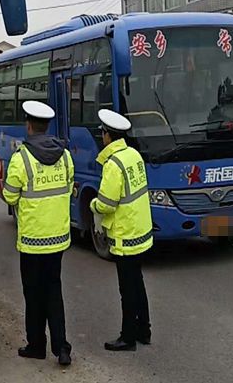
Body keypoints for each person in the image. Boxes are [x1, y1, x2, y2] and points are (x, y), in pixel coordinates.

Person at [2, 100, 74, 367]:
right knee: (54, 291)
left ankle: (36, 346)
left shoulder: (21, 158)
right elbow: (68, 187)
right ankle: (62, 348)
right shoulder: (65, 155)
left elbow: (9, 194)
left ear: (29, 125)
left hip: (32, 240)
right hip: (58, 238)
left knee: (33, 294)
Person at [90, 109, 153, 352]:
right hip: (140, 229)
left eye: (102, 133)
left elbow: (106, 203)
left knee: (127, 287)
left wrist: (92, 204)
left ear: (107, 135)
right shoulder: (133, 154)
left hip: (125, 234)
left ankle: (127, 337)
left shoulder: (112, 164)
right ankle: (144, 330)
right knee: (138, 283)